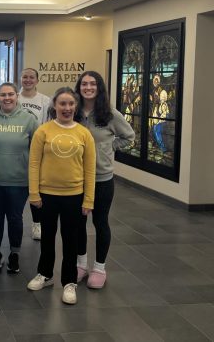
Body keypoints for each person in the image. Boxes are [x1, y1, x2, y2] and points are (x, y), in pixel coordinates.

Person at [26, 87, 95, 305]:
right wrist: (34, 193)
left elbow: (90, 169)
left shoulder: (84, 134)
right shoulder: (43, 131)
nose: (66, 108)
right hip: (47, 195)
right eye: (62, 104)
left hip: (74, 196)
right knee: (47, 238)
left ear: (75, 106)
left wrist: (89, 199)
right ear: (54, 106)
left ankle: (69, 282)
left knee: (71, 240)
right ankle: (45, 274)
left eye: (70, 104)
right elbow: (34, 163)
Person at [74, 71, 134, 289]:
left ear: (99, 87)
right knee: (78, 224)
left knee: (100, 222)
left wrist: (108, 148)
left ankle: (99, 268)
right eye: (84, 84)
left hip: (102, 179)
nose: (88, 87)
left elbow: (129, 137)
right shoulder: (73, 112)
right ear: (79, 87)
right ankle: (81, 265)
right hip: (76, 178)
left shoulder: (109, 114)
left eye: (92, 83)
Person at [0, 83, 38, 274]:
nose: (6, 98)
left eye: (10, 94)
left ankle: (15, 254)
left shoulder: (29, 119)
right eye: (2, 95)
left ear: (17, 96)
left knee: (15, 219)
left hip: (19, 180)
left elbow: (38, 148)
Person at [17, 67, 51, 241]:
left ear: (37, 80)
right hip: (17, 149)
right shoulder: (14, 97)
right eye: (25, 77)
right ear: (20, 79)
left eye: (31, 77)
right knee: (20, 187)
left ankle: (37, 223)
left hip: (37, 149)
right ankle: (17, 221)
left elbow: (47, 124)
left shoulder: (45, 100)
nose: (28, 80)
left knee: (36, 188)